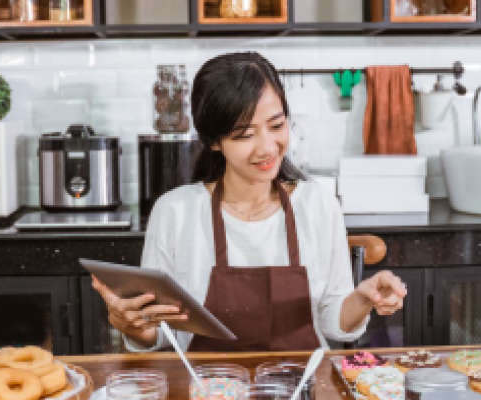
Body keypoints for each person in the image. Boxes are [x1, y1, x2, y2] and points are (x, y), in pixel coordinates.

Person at [93, 52, 406, 352]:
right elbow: (160, 332)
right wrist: (132, 324)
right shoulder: (175, 212)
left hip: (303, 387)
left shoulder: (318, 205)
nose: (267, 147)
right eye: (244, 134)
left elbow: (331, 321)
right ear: (213, 141)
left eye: (276, 125)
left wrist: (363, 299)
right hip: (208, 392)